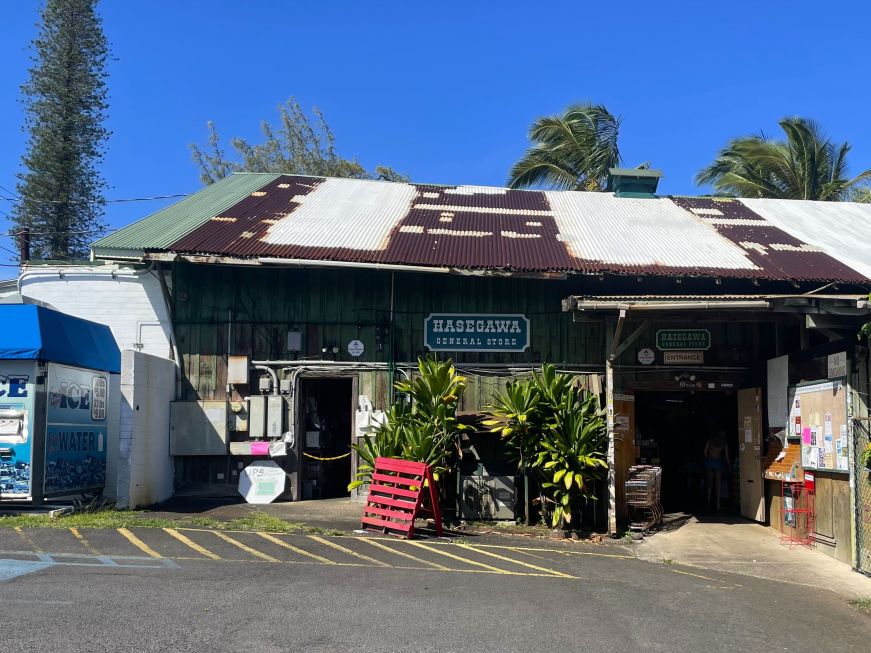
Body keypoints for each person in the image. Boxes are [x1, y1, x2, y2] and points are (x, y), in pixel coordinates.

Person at [704, 431, 730, 511]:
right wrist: (729, 466)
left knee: (710, 482)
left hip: (710, 461)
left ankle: (708, 501)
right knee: (718, 483)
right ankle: (718, 504)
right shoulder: (724, 444)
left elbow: (705, 452)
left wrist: (707, 459)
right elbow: (727, 457)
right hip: (718, 462)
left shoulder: (709, 442)